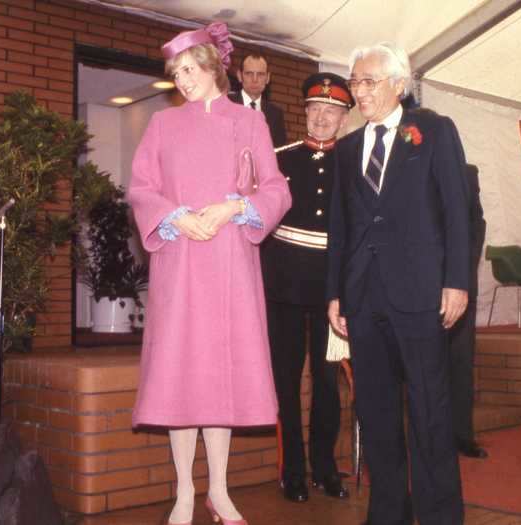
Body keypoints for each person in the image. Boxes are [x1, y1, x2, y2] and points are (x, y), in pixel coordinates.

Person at [127, 22, 291, 525]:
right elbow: (139, 188)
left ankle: (219, 493)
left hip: (229, 265)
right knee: (181, 378)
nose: (182, 80)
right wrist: (175, 216)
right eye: (175, 73)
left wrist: (235, 209)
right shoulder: (161, 125)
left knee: (219, 380)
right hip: (180, 262)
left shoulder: (249, 122)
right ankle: (183, 493)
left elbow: (278, 189)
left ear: (214, 67)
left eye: (190, 69)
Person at [326, 42, 470, 525]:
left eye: (368, 82)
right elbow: (340, 231)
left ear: (398, 85)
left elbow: (457, 210)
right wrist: (335, 293)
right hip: (364, 299)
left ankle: (439, 516)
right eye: (355, 82)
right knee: (377, 412)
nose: (359, 92)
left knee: (430, 412)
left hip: (421, 295)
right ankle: (387, 513)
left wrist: (457, 281)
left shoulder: (433, 130)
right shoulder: (347, 149)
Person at [262, 72, 352, 503]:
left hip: (331, 291)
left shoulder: (352, 164)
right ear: (305, 112)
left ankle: (325, 467)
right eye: (315, 110)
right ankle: (292, 470)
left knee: (327, 381)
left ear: (343, 117)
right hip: (282, 285)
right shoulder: (279, 158)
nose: (321, 119)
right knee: (285, 378)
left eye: (331, 112)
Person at [450, 163, 487, 459]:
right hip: (419, 291)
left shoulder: (466, 173)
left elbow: (477, 225)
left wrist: (462, 275)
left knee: (461, 364)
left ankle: (463, 435)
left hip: (461, 287)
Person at [229, 53, 287, 147]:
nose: (255, 79)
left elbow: (279, 153)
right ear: (239, 76)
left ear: (267, 78)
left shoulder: (276, 114)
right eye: (249, 74)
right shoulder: (227, 104)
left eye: (260, 74)